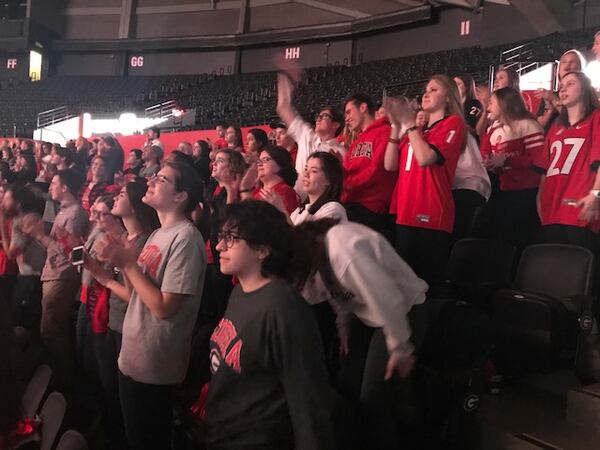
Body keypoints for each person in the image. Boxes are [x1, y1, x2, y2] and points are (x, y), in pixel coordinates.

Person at [197, 200, 335, 450]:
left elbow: (308, 403)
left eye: (231, 239)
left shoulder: (284, 308)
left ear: (262, 250)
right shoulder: (240, 292)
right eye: (221, 236)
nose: (219, 246)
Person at [93, 161, 206, 450]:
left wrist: (129, 264)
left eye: (163, 179)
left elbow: (164, 308)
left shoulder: (186, 238)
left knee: (148, 441)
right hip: (133, 355)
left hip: (154, 364)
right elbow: (136, 296)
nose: (152, 182)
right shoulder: (158, 235)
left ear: (180, 197)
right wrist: (124, 259)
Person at [288, 218, 428, 450]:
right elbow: (338, 297)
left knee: (373, 399)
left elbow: (388, 299)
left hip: (403, 312)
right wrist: (344, 331)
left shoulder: (344, 251)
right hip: (370, 316)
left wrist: (399, 347)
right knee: (347, 384)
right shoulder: (320, 255)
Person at [83, 181, 160, 448]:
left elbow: (134, 295)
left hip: (124, 324)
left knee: (117, 398)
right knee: (108, 390)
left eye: (123, 195)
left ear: (135, 205)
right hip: (115, 320)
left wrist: (104, 276)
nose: (117, 197)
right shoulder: (127, 238)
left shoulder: (143, 241)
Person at [385, 76, 467, 286]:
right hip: (406, 213)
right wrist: (396, 126)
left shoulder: (452, 123)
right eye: (425, 89)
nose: (426, 93)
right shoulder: (420, 132)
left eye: (434, 89)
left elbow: (425, 158)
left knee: (425, 286)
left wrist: (410, 125)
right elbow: (390, 164)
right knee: (404, 286)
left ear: (448, 97)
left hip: (430, 213)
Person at [21, 169, 89, 389]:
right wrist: (38, 233)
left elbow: (69, 252)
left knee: (52, 330)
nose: (50, 186)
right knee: (49, 329)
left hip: (62, 275)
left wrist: (40, 235)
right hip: (52, 273)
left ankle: (64, 382)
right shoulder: (63, 211)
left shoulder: (75, 214)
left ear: (65, 187)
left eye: (54, 183)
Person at [535, 71, 600, 253]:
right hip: (552, 208)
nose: (563, 87)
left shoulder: (596, 118)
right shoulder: (556, 126)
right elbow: (544, 169)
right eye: (562, 85)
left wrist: (596, 195)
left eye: (570, 83)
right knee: (557, 269)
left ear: (585, 89)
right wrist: (540, 200)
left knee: (583, 269)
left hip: (580, 208)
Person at [480, 87, 545, 251]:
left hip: (527, 192)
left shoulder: (529, 126)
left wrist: (508, 160)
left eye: (491, 103)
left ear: (504, 104)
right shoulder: (494, 130)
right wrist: (492, 164)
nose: (488, 108)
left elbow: (538, 160)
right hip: (504, 189)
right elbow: (485, 153)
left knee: (521, 239)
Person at [276, 59, 346, 197]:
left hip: (322, 202)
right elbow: (283, 107)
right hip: (298, 199)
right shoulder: (306, 135)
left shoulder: (341, 152)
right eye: (318, 116)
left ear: (336, 124)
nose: (318, 119)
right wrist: (285, 77)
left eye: (324, 116)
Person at [341, 93, 397, 231]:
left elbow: (377, 170)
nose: (346, 119)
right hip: (350, 203)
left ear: (363, 107)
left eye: (349, 112)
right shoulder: (357, 141)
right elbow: (345, 170)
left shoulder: (385, 131)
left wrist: (347, 186)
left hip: (370, 208)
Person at [0, 184, 46, 333]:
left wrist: (1, 221)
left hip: (31, 277)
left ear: (17, 202)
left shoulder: (22, 221)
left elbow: (10, 254)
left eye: (6, 199)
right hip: (32, 275)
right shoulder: (31, 216)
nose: (2, 204)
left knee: (21, 321)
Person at [240, 146, 299, 214]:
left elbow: (255, 220)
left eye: (265, 160)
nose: (259, 164)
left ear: (280, 164)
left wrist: (244, 189)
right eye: (259, 161)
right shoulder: (256, 192)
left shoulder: (285, 191)